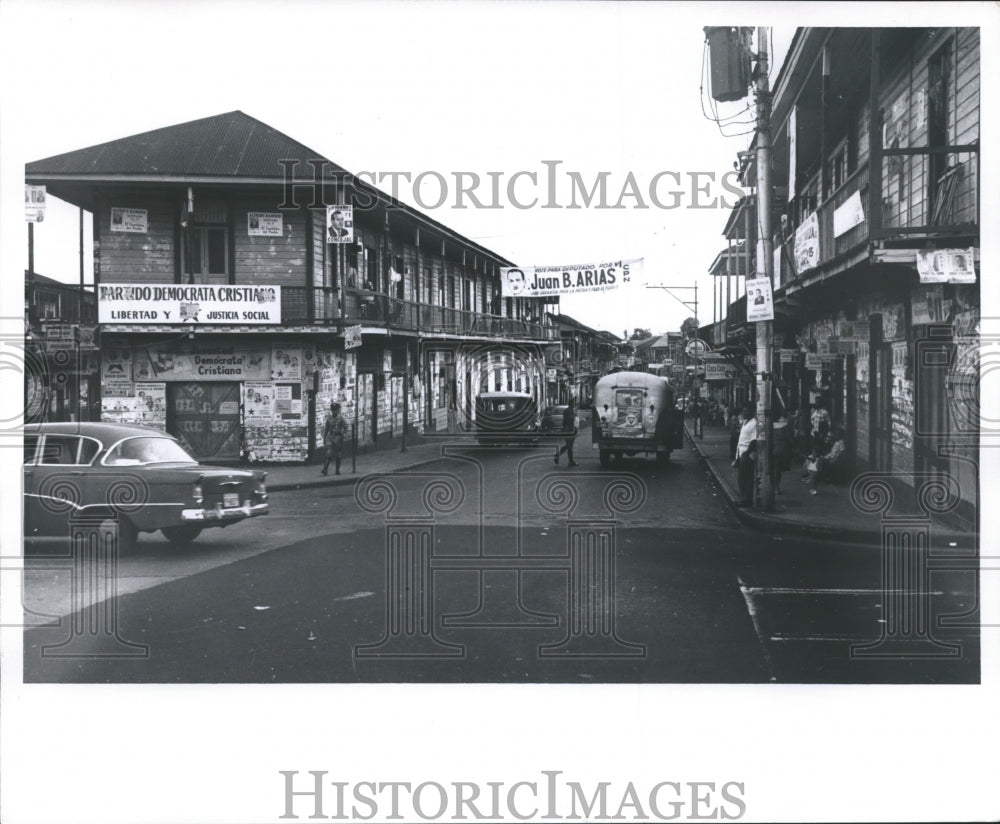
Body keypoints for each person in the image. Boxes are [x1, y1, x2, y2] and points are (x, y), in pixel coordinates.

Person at [804, 426, 846, 495]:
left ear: (841, 435)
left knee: (816, 463)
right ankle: (812, 477)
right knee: (813, 459)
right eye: (836, 433)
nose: (836, 435)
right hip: (828, 457)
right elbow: (832, 452)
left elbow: (842, 453)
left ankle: (813, 479)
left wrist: (834, 460)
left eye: (837, 434)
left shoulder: (841, 442)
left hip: (831, 459)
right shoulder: (837, 442)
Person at [731, 403, 757, 506]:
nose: (744, 413)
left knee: (746, 478)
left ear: (752, 412)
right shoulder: (746, 422)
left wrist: (747, 453)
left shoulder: (754, 423)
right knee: (741, 478)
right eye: (743, 411)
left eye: (747, 411)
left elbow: (754, 440)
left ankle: (747, 500)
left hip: (747, 454)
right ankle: (744, 498)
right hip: (741, 453)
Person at [321, 402, 348, 475]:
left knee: (338, 454)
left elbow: (346, 426)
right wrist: (325, 437)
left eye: (335, 410)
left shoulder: (341, 418)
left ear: (338, 410)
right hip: (331, 437)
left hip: (338, 437)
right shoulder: (329, 418)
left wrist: (343, 434)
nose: (334, 411)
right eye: (333, 410)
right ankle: (325, 469)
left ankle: (337, 470)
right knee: (328, 453)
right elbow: (327, 428)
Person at [771, 411, 793, 494]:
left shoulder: (769, 425)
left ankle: (774, 486)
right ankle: (776, 487)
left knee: (773, 469)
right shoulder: (784, 426)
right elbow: (789, 439)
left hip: (772, 448)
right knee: (777, 470)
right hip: (780, 449)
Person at [554, 397, 578, 466]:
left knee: (568, 446)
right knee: (569, 446)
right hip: (568, 430)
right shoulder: (569, 411)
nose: (575, 404)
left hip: (568, 429)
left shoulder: (570, 410)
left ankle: (557, 455)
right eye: (574, 403)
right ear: (571, 403)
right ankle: (570, 462)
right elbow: (569, 421)